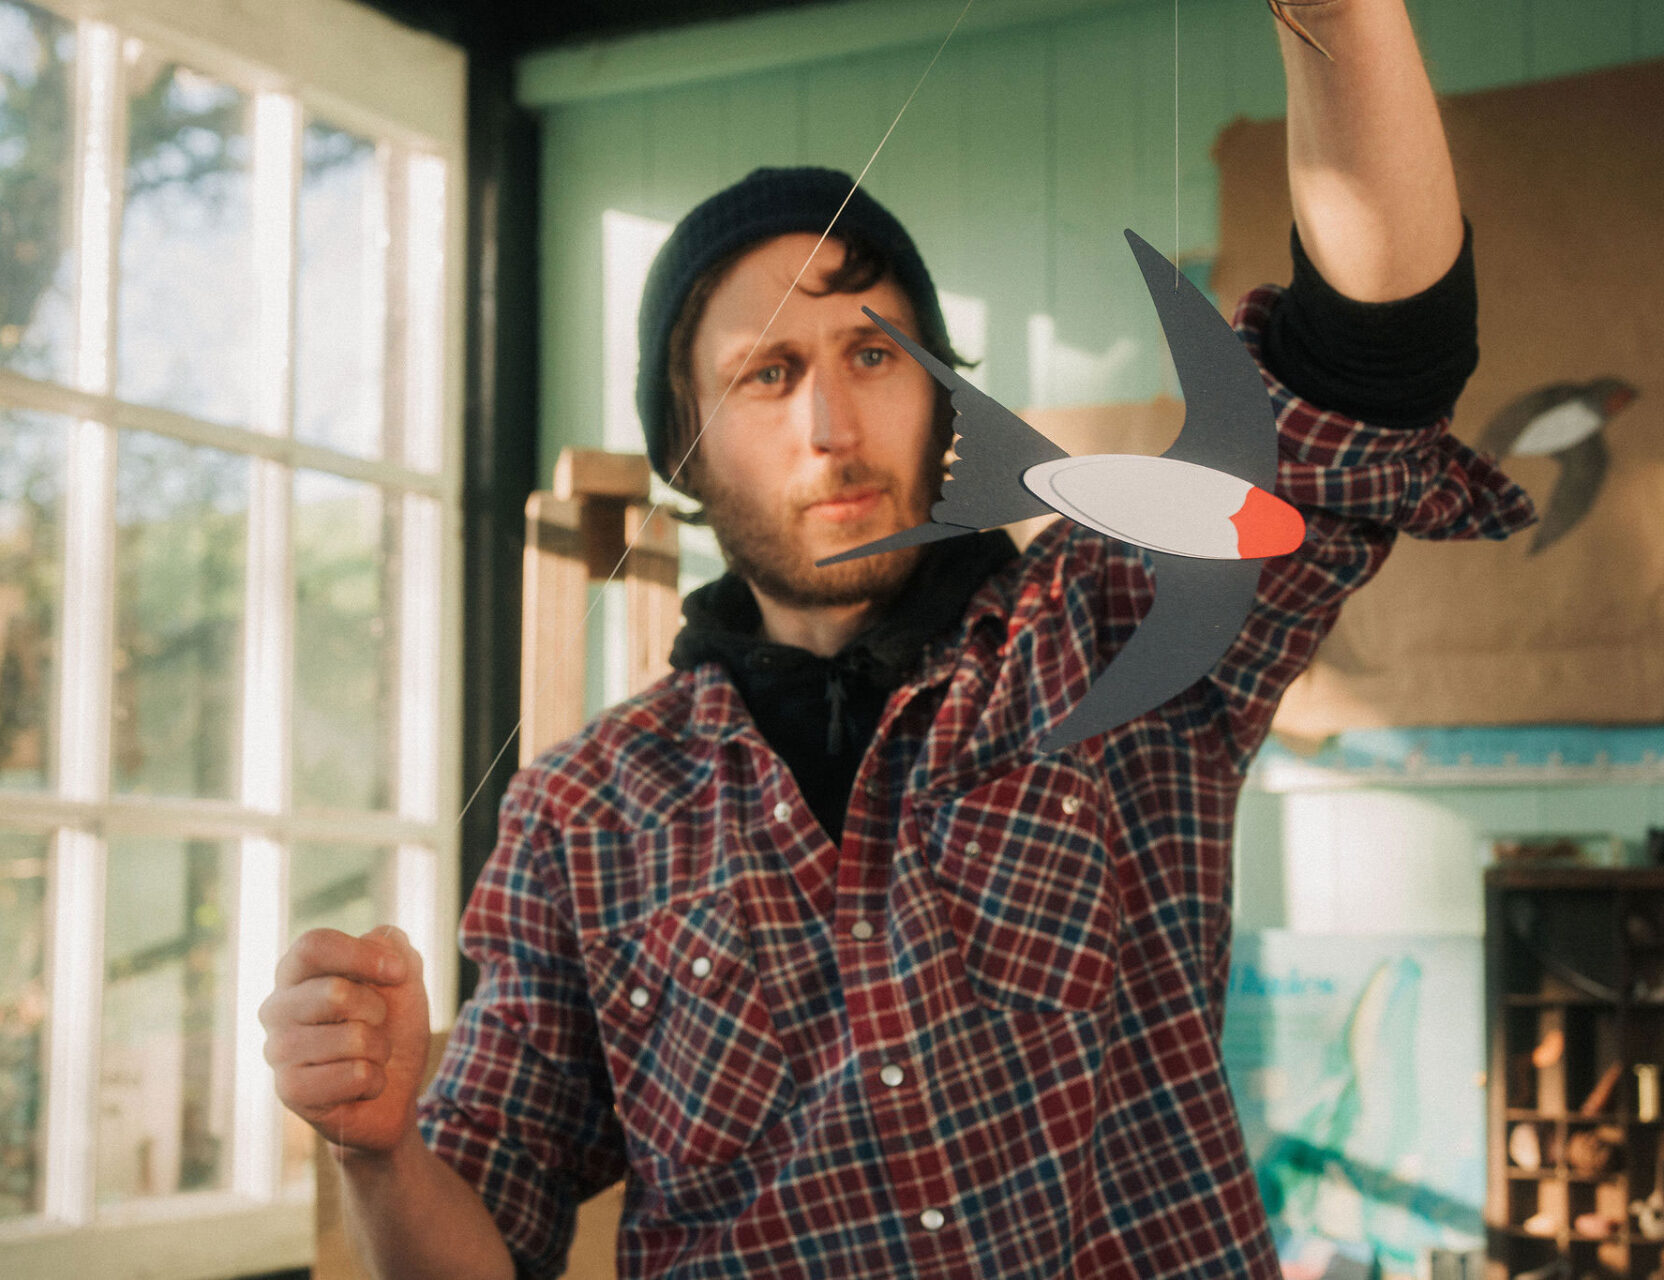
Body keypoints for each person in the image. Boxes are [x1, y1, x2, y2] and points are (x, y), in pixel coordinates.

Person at [259, 1, 1535, 1276]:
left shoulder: (1107, 626)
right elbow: (485, 1241)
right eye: (767, 372)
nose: (831, 423)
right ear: (680, 445)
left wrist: (1343, 16)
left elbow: (1371, 367)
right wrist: (377, 1148)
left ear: (943, 394)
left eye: (874, 351)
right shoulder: (579, 818)